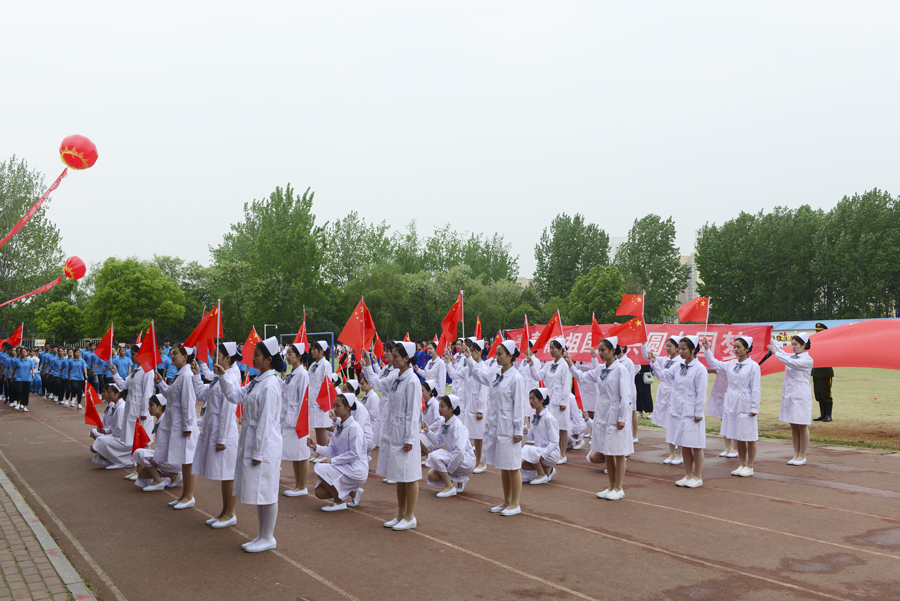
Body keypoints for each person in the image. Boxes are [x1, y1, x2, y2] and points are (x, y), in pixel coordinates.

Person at [216, 336, 285, 553]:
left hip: (265, 444)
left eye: (256, 355)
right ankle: (262, 535)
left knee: (267, 490)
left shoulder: (270, 385)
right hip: (253, 439)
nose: (252, 358)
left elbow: (266, 422)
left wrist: (258, 452)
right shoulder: (258, 381)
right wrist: (223, 376)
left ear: (268, 359)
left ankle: (268, 536)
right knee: (259, 491)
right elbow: (236, 396)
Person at [464, 340, 527, 516]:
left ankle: (515, 503)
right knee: (504, 465)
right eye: (496, 353)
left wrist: (518, 430)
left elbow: (519, 406)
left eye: (500, 354)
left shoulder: (516, 378)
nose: (496, 357)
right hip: (497, 425)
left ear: (510, 356)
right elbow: (479, 375)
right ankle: (506, 501)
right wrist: (469, 358)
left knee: (513, 465)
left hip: (510, 428)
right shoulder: (495, 373)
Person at [363, 341, 421, 531]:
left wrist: (410, 438)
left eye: (396, 356)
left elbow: (413, 413)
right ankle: (401, 514)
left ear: (406, 358)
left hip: (406, 435)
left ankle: (410, 516)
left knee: (409, 475)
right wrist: (367, 365)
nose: (392, 359)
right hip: (395, 432)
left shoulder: (412, 381)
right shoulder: (396, 377)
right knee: (398, 474)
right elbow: (376, 383)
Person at [568, 337, 633, 499]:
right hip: (602, 413)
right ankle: (611, 486)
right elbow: (582, 377)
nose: (600, 353)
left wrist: (622, 418)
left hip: (615, 414)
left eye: (603, 350)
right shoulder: (601, 369)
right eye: (599, 350)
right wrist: (570, 364)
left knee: (618, 452)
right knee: (607, 450)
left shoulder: (620, 370)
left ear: (613, 350)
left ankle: (618, 488)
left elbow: (626, 395)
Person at [649, 336, 708, 488]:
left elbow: (701, 393)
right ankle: (688, 475)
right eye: (679, 348)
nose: (680, 351)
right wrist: (654, 362)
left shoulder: (700, 369)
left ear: (693, 350)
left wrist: (698, 413)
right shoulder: (678, 366)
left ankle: (697, 476)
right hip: (678, 409)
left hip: (692, 412)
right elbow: (664, 377)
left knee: (696, 445)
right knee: (684, 443)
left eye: (684, 349)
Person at [192, 342, 241, 527]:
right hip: (214, 430)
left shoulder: (230, 378)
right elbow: (202, 394)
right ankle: (224, 511)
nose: (213, 359)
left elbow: (228, 411)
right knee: (223, 474)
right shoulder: (219, 377)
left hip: (225, 434)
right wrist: (197, 374)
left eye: (216, 355)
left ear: (227, 358)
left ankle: (231, 513)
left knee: (228, 474)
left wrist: (222, 439)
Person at [702, 336, 761, 476]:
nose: (736, 349)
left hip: (745, 402)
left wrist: (754, 407)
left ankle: (750, 466)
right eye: (734, 347)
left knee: (749, 436)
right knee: (738, 434)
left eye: (739, 347)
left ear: (747, 348)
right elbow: (714, 363)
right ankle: (742, 464)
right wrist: (707, 349)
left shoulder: (753, 366)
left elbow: (756, 388)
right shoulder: (731, 364)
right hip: (732, 402)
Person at [154, 344, 199, 510]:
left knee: (188, 461)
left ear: (185, 357)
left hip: (184, 426)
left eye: (175, 353)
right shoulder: (180, 374)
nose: (171, 355)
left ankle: (189, 496)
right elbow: (171, 396)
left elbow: (188, 402)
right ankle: (184, 495)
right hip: (178, 424)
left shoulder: (186, 375)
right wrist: (161, 382)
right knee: (184, 461)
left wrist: (187, 427)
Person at [308, 392, 369, 511]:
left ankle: (339, 501)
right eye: (334, 406)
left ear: (348, 407)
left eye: (338, 406)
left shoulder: (354, 428)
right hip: (344, 465)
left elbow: (354, 454)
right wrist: (316, 447)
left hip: (356, 468)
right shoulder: (340, 427)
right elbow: (332, 450)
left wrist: (333, 461)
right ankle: (353, 492)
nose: (335, 409)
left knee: (320, 467)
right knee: (320, 493)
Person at [767, 334, 813, 466]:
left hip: (801, 395)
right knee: (793, 425)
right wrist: (769, 337)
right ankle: (796, 454)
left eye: (795, 344)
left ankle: (802, 455)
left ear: (803, 345)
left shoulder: (808, 359)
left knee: (802, 425)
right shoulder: (792, 356)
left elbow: (790, 362)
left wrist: (775, 353)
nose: (793, 347)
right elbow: (781, 352)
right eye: (792, 344)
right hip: (790, 394)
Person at [525, 338, 573, 464]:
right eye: (550, 348)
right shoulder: (549, 364)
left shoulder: (565, 365)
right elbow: (538, 376)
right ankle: (551, 452)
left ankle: (562, 454)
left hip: (560, 400)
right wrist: (531, 366)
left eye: (553, 348)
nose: (551, 350)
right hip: (549, 400)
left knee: (562, 428)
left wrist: (563, 402)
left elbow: (566, 384)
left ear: (561, 349)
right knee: (552, 427)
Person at [446, 338, 489, 474]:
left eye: (473, 351)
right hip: (468, 405)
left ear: (480, 352)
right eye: (470, 351)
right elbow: (454, 375)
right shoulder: (469, 367)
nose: (471, 353)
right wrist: (448, 362)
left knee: (479, 436)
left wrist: (480, 409)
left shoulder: (483, 368)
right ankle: (475, 460)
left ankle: (482, 462)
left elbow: (484, 391)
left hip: (478, 407)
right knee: (473, 435)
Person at [422, 394, 476, 496]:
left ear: (451, 409)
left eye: (442, 406)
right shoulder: (443, 422)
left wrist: (450, 469)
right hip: (455, 457)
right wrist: (428, 431)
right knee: (431, 475)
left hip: (465, 460)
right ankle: (461, 479)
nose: (439, 409)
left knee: (434, 456)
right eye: (439, 406)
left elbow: (460, 451)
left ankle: (450, 487)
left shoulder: (457, 426)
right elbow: (438, 443)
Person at [642, 338, 683, 464]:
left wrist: (655, 363)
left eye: (670, 346)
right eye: (666, 346)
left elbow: (666, 375)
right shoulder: (665, 360)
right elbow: (647, 357)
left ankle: (680, 454)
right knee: (669, 424)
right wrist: (643, 343)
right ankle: (672, 453)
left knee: (677, 424)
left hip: (675, 394)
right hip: (665, 394)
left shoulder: (680, 361)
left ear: (677, 348)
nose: (667, 348)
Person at [135, 395, 184, 492]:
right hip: (166, 457)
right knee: (142, 473)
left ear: (160, 406)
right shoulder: (162, 419)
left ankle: (158, 481)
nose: (149, 408)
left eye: (151, 405)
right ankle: (173, 476)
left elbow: (172, 443)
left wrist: (157, 458)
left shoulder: (166, 421)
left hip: (172, 459)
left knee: (139, 453)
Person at [281, 342, 311, 497]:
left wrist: (301, 422)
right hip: (289, 418)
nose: (287, 356)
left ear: (299, 356)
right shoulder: (291, 373)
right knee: (294, 453)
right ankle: (297, 485)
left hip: (299, 419)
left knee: (302, 453)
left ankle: (303, 486)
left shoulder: (303, 374)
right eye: (287, 353)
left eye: (290, 354)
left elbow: (303, 400)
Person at [521, 388, 560, 485]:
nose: (531, 401)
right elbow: (532, 437)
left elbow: (555, 441)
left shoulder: (549, 418)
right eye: (530, 399)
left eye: (533, 399)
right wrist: (526, 432)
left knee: (528, 449)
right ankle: (548, 470)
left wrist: (544, 454)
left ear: (542, 400)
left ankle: (542, 474)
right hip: (538, 451)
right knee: (522, 464)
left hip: (551, 454)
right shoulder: (534, 415)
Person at [307, 341, 334, 463]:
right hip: (313, 399)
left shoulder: (325, 364)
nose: (312, 351)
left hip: (321, 400)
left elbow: (327, 383)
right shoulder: (313, 364)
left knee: (322, 426)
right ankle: (319, 452)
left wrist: (323, 401)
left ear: (322, 350)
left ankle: (324, 452)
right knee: (317, 426)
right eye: (311, 349)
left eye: (315, 349)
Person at [811, 323, 833, 422]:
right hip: (816, 371)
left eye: (819, 331)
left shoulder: (829, 343)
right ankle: (822, 414)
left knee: (826, 394)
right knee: (818, 394)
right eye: (817, 331)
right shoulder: (814, 343)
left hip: (825, 372)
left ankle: (828, 415)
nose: (817, 333)